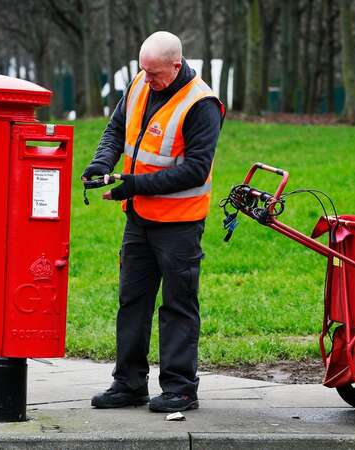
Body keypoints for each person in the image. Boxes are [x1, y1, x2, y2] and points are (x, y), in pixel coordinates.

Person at [83, 31, 224, 413]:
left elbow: (195, 170)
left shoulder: (202, 104)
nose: (148, 80)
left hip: (180, 222)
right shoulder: (140, 83)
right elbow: (115, 130)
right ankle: (128, 383)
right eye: (143, 71)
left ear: (176, 66)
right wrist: (101, 163)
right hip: (140, 218)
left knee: (178, 306)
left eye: (156, 74)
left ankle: (180, 389)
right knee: (132, 302)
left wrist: (133, 185)